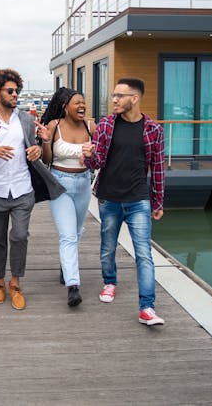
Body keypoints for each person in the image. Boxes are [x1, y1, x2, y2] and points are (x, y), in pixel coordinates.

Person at [0, 68, 65, 310]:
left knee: (19, 235)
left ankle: (15, 283)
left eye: (17, 91)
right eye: (11, 91)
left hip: (23, 189)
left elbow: (35, 151)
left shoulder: (25, 119)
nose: (15, 95)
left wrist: (38, 148)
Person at [82, 77, 166, 326]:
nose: (114, 100)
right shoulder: (107, 125)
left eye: (120, 96)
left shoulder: (153, 130)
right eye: (113, 95)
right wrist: (88, 156)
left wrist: (158, 202)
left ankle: (147, 308)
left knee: (144, 254)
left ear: (135, 98)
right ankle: (110, 282)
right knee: (108, 248)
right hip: (109, 198)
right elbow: (95, 164)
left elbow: (158, 168)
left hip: (139, 199)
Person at [38, 87, 94, 307]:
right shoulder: (54, 126)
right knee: (68, 235)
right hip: (59, 183)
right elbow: (46, 160)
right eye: (77, 103)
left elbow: (99, 156)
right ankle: (73, 285)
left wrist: (90, 158)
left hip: (83, 184)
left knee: (77, 232)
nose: (82, 106)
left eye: (83, 102)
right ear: (65, 107)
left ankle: (66, 265)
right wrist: (45, 141)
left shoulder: (91, 126)